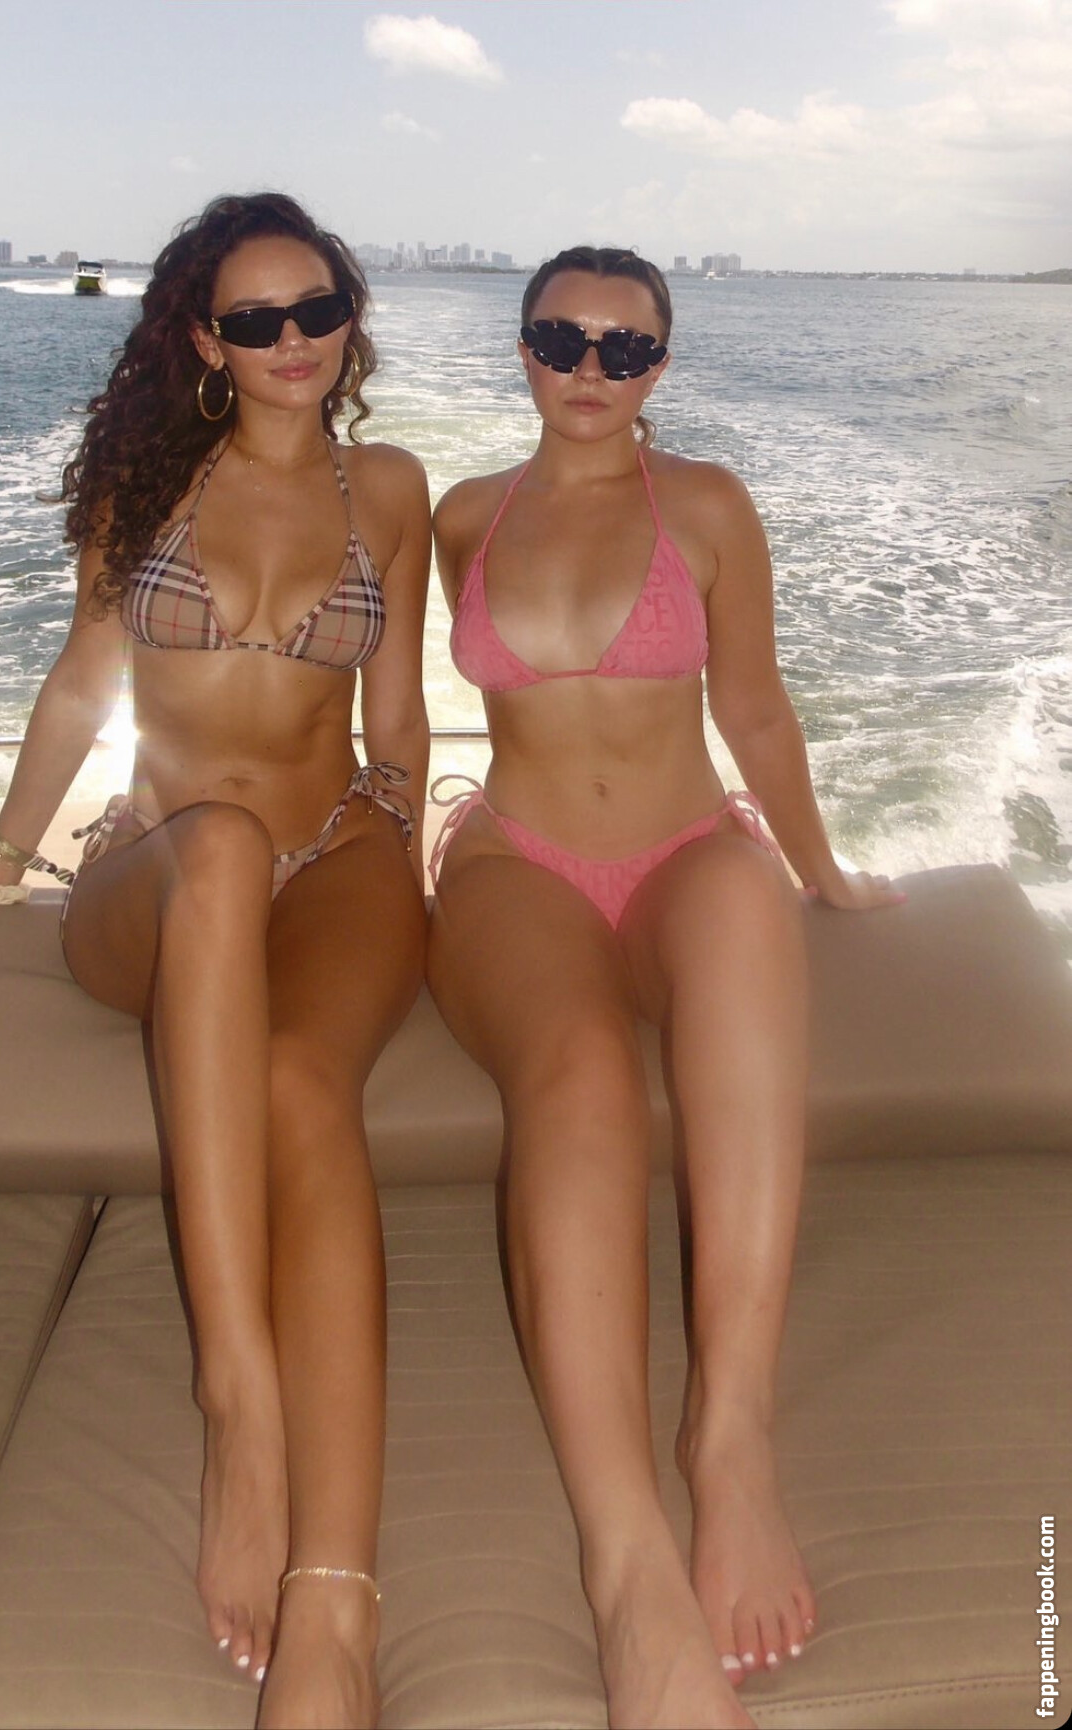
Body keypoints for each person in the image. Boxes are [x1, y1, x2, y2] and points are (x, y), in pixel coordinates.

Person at [0, 192, 431, 1729]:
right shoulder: (145, 488)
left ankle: (337, 1597)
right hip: (163, 872)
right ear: (202, 338)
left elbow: (396, 718)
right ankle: (237, 1400)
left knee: (304, 1084)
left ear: (349, 315)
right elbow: (78, 684)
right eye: (255, 318)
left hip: (340, 854)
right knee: (223, 844)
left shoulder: (388, 486)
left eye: (317, 308)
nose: (293, 340)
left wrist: (407, 831)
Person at [426, 246, 903, 1730]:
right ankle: (629, 1567)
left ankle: (730, 1438)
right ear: (521, 348)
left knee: (749, 913)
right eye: (562, 338)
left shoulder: (706, 507)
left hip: (687, 845)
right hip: (516, 862)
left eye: (625, 348)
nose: (591, 368)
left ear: (661, 369)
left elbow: (752, 706)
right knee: (574, 1076)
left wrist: (821, 869)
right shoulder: (460, 517)